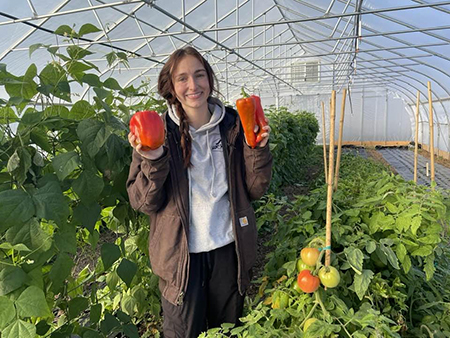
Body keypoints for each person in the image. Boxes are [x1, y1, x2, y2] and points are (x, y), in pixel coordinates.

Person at [126, 46, 273, 338]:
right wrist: (153, 160)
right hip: (180, 257)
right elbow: (144, 202)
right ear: (171, 87)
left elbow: (256, 188)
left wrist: (256, 148)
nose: (193, 85)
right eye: (182, 79)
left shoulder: (233, 125)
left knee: (226, 330)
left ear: (209, 79)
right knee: (183, 332)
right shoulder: (157, 132)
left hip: (227, 250)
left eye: (199, 75)